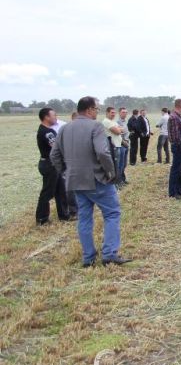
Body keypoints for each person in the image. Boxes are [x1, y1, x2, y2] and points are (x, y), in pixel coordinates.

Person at [50, 96, 131, 267]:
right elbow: (102, 152)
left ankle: (88, 257)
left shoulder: (65, 128)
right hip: (96, 180)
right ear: (89, 110)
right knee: (112, 213)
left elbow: (54, 155)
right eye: (96, 109)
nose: (97, 112)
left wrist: (65, 172)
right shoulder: (95, 126)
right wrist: (110, 172)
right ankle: (109, 253)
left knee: (84, 218)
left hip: (75, 181)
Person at [36, 107, 70, 225]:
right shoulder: (46, 132)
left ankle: (64, 215)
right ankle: (42, 219)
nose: (56, 117)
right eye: (54, 115)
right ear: (46, 117)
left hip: (54, 164)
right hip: (49, 165)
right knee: (48, 192)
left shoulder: (49, 130)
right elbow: (58, 148)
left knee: (61, 190)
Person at [167, 99, 181, 198]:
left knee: (179, 169)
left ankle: (178, 190)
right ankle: (173, 192)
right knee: (176, 169)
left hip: (179, 146)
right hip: (178, 146)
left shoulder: (177, 116)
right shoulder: (174, 117)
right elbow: (176, 136)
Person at [101, 107, 123, 186]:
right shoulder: (106, 121)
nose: (113, 114)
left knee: (120, 165)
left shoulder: (113, 121)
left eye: (114, 112)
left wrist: (119, 129)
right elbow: (117, 131)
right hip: (113, 147)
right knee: (115, 167)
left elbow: (122, 129)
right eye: (112, 112)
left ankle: (120, 182)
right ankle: (116, 184)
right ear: (107, 113)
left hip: (118, 145)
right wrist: (119, 129)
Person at [116, 107, 130, 184]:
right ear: (119, 113)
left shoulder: (125, 121)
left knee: (124, 164)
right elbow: (119, 136)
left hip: (127, 144)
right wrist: (125, 143)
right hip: (121, 145)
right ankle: (119, 182)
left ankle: (123, 179)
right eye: (123, 112)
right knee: (120, 165)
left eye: (126, 112)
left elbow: (126, 132)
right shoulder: (117, 122)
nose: (125, 114)